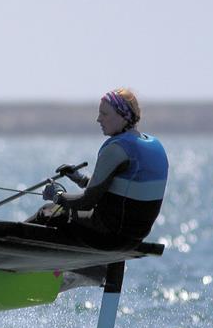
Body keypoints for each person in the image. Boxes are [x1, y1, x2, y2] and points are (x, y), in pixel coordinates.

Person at [29, 88, 169, 248]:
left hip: (110, 237)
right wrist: (80, 179)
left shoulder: (116, 149)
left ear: (122, 116)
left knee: (48, 212)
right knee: (63, 214)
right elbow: (117, 192)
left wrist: (57, 196)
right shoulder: (154, 145)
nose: (98, 119)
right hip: (134, 238)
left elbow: (86, 202)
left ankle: (5, 261)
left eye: (104, 114)